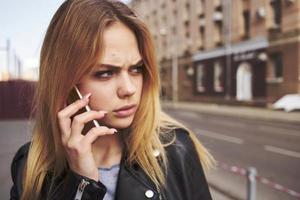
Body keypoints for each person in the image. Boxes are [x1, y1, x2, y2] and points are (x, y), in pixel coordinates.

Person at [10, 0, 215, 199]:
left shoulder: (176, 149)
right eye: (106, 73)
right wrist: (82, 184)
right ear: (65, 80)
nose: (129, 89)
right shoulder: (31, 168)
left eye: (136, 69)